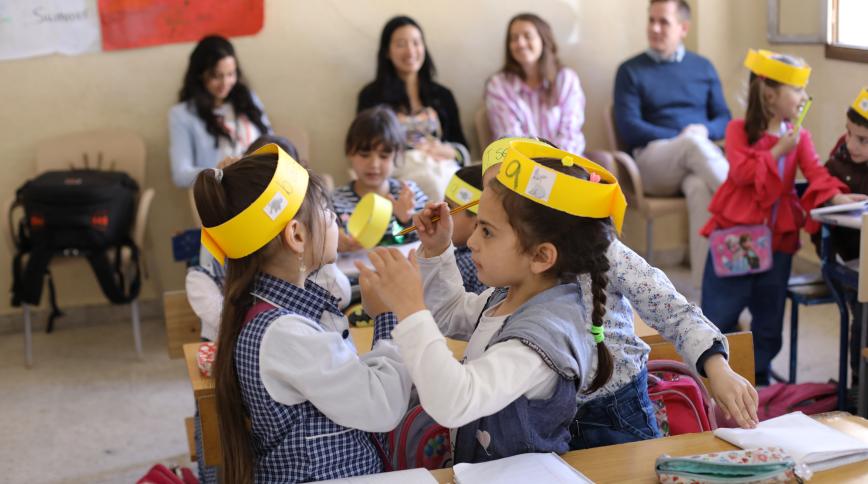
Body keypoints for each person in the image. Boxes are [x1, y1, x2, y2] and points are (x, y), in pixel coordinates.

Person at [480, 137, 758, 448]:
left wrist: (716, 367)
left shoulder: (604, 253)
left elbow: (673, 310)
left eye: (495, 217)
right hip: (540, 415)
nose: (482, 233)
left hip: (612, 412)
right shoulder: (502, 266)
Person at [358, 144, 621, 462]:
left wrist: (410, 309)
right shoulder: (511, 295)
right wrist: (439, 249)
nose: (471, 241)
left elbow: (455, 400)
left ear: (540, 256)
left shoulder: (543, 337)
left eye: (487, 231)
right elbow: (449, 312)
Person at [194, 144, 411, 482]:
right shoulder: (286, 334)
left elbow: (327, 283)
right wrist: (388, 315)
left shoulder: (267, 304)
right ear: (296, 235)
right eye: (329, 214)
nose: (337, 223)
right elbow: (383, 406)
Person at [700, 50, 866, 386]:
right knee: (720, 312)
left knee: (769, 317)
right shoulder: (737, 131)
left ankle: (759, 377)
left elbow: (816, 172)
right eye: (798, 90)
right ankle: (717, 376)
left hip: (777, 241)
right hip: (738, 238)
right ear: (770, 94)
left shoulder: (799, 136)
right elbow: (742, 172)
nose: (804, 97)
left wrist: (836, 196)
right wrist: (777, 151)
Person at [613, 0, 731, 285]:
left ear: (683, 28)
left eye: (663, 21)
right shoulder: (630, 71)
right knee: (692, 145)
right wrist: (681, 137)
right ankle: (742, 201)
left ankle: (707, 298)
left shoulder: (703, 67)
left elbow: (724, 118)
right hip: (653, 163)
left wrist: (703, 129)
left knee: (700, 188)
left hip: (697, 163)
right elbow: (630, 128)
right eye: (651, 20)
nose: (654, 28)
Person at [358, 16, 469, 200]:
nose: (410, 51)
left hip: (442, 164)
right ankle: (440, 224)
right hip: (400, 170)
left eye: (416, 43)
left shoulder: (442, 95)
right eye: (401, 44)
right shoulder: (371, 97)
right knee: (432, 184)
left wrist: (448, 151)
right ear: (387, 51)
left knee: (460, 189)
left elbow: (462, 146)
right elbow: (365, 148)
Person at [169, 35, 271, 188]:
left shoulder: (247, 99)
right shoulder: (183, 114)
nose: (225, 83)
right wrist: (220, 171)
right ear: (200, 75)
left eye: (230, 74)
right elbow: (181, 175)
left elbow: (272, 141)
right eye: (216, 76)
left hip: (265, 183)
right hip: (226, 193)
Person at [485, 13, 586, 154]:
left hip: (566, 164)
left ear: (544, 40)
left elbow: (570, 134)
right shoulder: (498, 85)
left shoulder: (566, 79)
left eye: (527, 36)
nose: (520, 43)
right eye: (514, 38)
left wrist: (556, 165)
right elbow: (510, 140)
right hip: (522, 168)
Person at [332, 107, 428, 252]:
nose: (374, 165)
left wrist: (406, 221)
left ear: (396, 155)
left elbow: (428, 240)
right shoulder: (334, 201)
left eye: (384, 156)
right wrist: (333, 244)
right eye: (364, 155)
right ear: (349, 152)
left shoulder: (409, 195)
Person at [444, 166, 486, 294]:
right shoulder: (459, 253)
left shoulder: (472, 264)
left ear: (477, 222)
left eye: (449, 209)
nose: (439, 216)